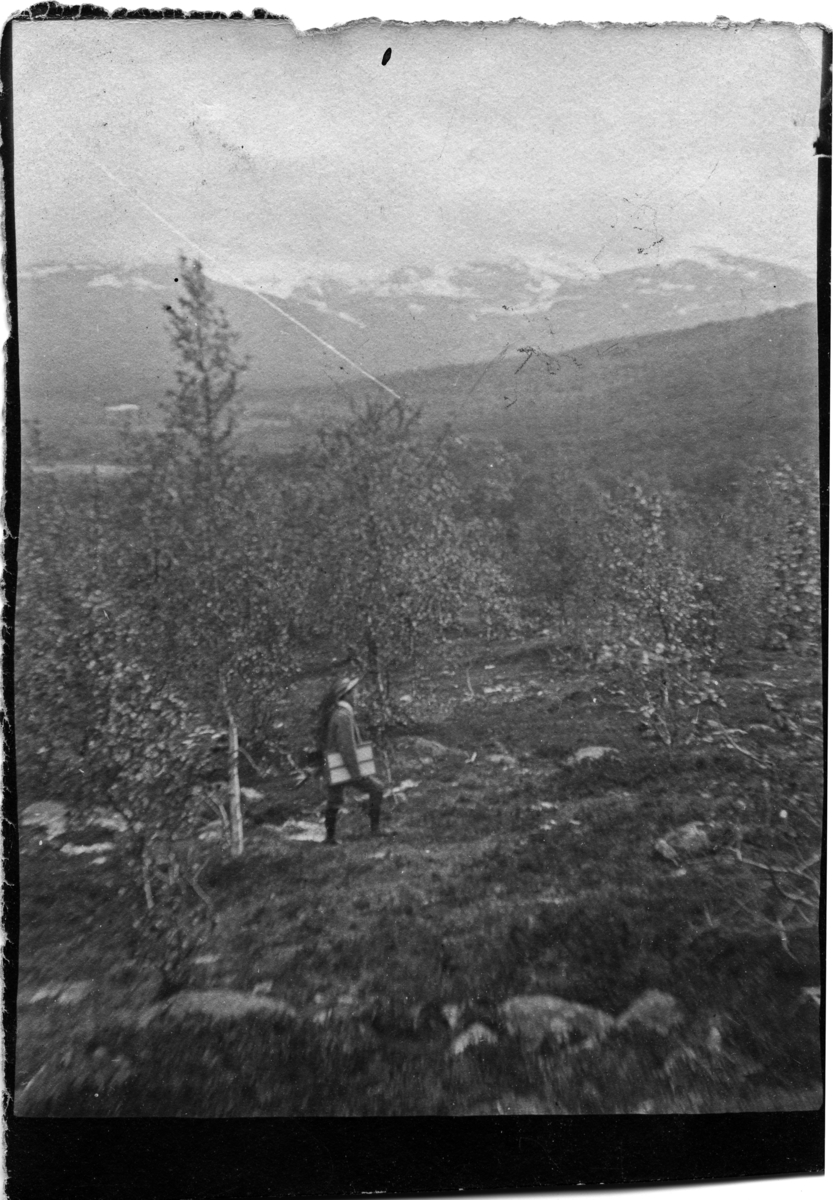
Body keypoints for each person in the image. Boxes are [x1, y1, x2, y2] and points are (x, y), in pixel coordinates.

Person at [316, 675, 388, 845]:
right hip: (343, 766)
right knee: (377, 788)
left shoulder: (336, 713)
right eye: (353, 692)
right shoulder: (344, 715)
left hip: (333, 766)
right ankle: (375, 829)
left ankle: (330, 837)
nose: (356, 695)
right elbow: (346, 747)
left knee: (334, 800)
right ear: (346, 695)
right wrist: (356, 772)